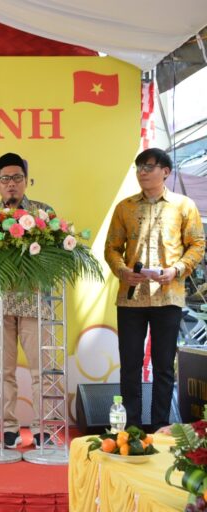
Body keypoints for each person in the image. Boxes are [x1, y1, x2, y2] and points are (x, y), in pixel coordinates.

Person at [105, 148, 205, 432]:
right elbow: (112, 247)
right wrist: (122, 270)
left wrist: (176, 270)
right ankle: (131, 428)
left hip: (168, 296)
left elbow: (197, 244)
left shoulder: (183, 205)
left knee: (163, 367)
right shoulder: (125, 206)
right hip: (131, 297)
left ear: (166, 171)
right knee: (130, 366)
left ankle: (160, 426)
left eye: (148, 167)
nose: (142, 172)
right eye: (139, 167)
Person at [0, 152, 54, 449]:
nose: (11, 184)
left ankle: (42, 428)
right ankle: (9, 428)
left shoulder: (43, 214)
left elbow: (56, 258)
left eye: (17, 178)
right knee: (4, 372)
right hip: (0, 305)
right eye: (5, 179)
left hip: (34, 305)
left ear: (26, 181)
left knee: (42, 370)